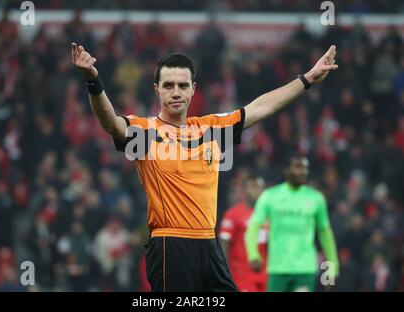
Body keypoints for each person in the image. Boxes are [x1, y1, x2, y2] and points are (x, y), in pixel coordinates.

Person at [71, 41, 338, 291]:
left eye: (183, 86)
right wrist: (93, 80)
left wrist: (307, 80)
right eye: (169, 85)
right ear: (157, 89)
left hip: (208, 244)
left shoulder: (211, 128)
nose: (176, 92)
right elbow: (111, 123)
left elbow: (259, 107)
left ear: (193, 89)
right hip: (170, 244)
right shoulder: (145, 131)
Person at [244, 155, 339, 292]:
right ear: (287, 170)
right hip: (277, 269)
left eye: (305, 168)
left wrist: (331, 270)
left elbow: (325, 234)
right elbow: (253, 228)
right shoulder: (270, 197)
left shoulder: (316, 199)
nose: (303, 172)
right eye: (298, 167)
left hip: (304, 270)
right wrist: (253, 255)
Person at [219, 175, 268, 292]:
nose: (257, 191)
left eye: (260, 188)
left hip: (265, 275)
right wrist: (225, 274)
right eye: (253, 187)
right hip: (241, 275)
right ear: (245, 190)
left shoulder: (268, 214)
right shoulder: (233, 214)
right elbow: (224, 245)